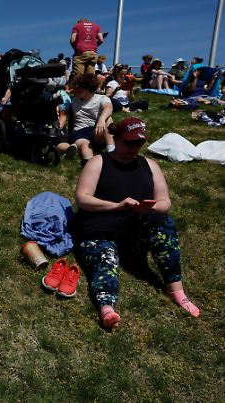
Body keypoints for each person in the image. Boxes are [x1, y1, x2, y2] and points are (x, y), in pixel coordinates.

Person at [74, 117, 200, 331]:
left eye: (138, 143)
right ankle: (107, 307)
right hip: (100, 231)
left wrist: (150, 208)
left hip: (133, 233)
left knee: (165, 225)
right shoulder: (99, 162)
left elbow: (165, 202)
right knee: (105, 261)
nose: (134, 148)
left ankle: (176, 289)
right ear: (116, 138)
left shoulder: (149, 165)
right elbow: (82, 198)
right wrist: (116, 206)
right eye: (128, 143)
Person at [66, 73, 113, 166]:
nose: (75, 90)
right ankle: (88, 163)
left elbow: (108, 108)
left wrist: (101, 119)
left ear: (87, 88)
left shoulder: (101, 98)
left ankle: (111, 150)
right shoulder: (74, 100)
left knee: (108, 119)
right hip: (79, 131)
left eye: (78, 88)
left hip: (96, 130)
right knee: (84, 144)